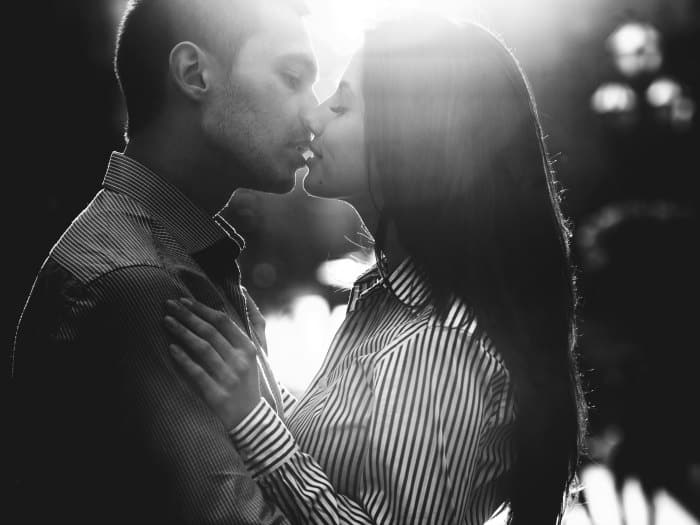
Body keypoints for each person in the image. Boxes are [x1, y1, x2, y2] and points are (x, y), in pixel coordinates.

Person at [163, 15, 588, 525]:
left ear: (409, 142)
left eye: (342, 105)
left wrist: (253, 419)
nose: (314, 116)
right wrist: (258, 386)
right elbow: (338, 456)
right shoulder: (387, 305)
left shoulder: (438, 344)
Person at [10, 0, 317, 523]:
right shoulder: (138, 284)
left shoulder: (171, 256)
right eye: (292, 78)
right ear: (194, 74)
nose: (312, 113)